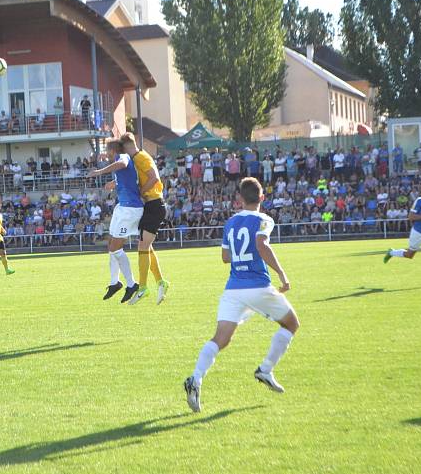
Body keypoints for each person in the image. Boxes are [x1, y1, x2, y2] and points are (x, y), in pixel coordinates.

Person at [184, 177, 299, 412]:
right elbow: (261, 244)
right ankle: (265, 369)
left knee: (220, 340)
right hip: (258, 286)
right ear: (262, 198)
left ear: (239, 198)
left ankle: (195, 379)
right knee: (291, 324)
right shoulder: (265, 219)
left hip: (233, 290)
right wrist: (282, 275)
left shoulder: (230, 222)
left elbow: (225, 258)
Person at [86, 139, 142, 302]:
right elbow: (125, 177)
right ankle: (114, 282)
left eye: (107, 151)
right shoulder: (118, 163)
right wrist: (113, 183)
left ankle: (131, 284)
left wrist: (99, 172)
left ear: (112, 150)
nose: (106, 154)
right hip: (122, 207)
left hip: (130, 210)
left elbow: (123, 164)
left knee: (116, 248)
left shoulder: (122, 157)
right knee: (111, 244)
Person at [119, 132, 170, 305]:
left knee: (142, 245)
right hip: (151, 206)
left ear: (126, 147)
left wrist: (141, 191)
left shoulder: (140, 157)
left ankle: (143, 287)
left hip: (155, 205)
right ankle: (161, 282)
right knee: (146, 246)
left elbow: (154, 177)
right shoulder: (137, 158)